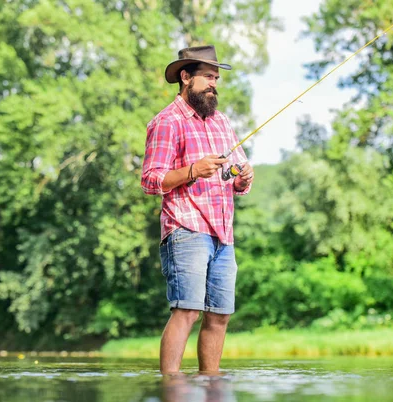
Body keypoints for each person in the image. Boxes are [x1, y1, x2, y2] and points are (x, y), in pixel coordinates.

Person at [141, 45, 254, 374]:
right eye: (208, 77)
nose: (214, 84)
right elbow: (150, 181)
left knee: (219, 315)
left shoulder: (221, 123)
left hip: (223, 234)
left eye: (216, 78)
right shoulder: (166, 122)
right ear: (186, 77)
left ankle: (211, 385)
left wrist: (243, 175)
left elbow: (236, 177)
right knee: (187, 310)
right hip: (186, 230)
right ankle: (170, 387)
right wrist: (191, 170)